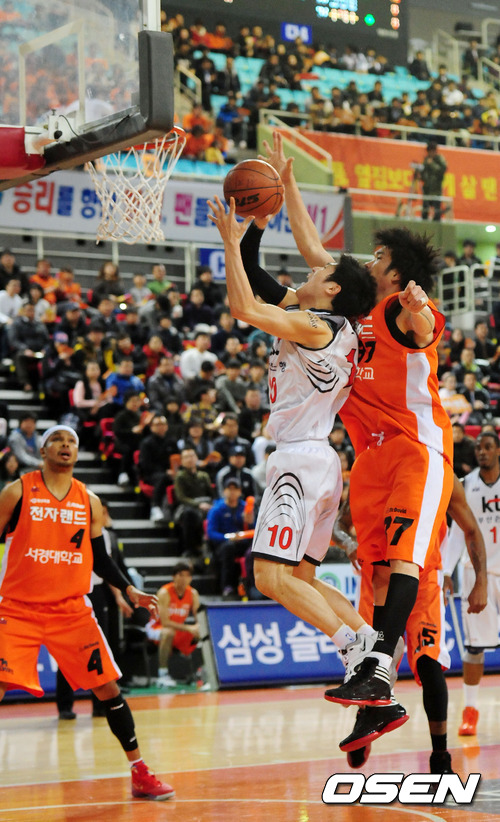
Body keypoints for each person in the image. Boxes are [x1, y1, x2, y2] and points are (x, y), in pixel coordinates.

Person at [259, 131, 453, 710]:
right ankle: (372, 694)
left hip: (416, 449)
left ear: (396, 275)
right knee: (375, 572)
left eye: (379, 258)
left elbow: (424, 327)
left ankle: (379, 669)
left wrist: (419, 310)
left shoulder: (400, 308)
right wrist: (288, 181)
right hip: (369, 459)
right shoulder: (351, 305)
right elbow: (312, 245)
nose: (369, 261)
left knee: (404, 558)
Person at [207, 192, 381, 678]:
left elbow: (243, 305)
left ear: (332, 290)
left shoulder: (313, 325)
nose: (310, 271)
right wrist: (257, 225)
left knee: (268, 576)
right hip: (321, 462)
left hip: (298, 464)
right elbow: (254, 275)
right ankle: (371, 646)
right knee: (301, 577)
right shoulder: (331, 324)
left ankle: (352, 651)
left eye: (319, 272)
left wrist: (227, 240)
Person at [0, 424, 175, 800]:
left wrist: (128, 588)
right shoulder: (17, 491)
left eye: (72, 442)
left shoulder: (89, 501)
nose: (65, 445)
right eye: (57, 440)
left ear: (77, 453)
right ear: (42, 450)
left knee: (109, 688)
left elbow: (100, 557)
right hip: (18, 609)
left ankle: (140, 772)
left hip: (71, 611)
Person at [335, 474, 487, 774]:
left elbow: (471, 528)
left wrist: (480, 579)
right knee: (370, 661)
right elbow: (339, 524)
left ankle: (440, 756)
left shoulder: (440, 472)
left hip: (424, 577)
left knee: (429, 662)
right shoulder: (372, 466)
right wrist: (349, 543)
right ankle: (366, 717)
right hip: (376, 576)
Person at [444, 430, 500, 738]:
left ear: (498, 450)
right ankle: (470, 710)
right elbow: (457, 533)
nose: (482, 452)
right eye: (479, 447)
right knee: (475, 647)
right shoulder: (466, 485)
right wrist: (446, 571)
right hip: (476, 574)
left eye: (488, 447)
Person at [145, 560, 201, 687]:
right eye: (181, 575)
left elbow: (199, 617)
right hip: (155, 628)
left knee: (202, 632)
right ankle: (163, 675)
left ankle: (201, 671)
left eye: (187, 575)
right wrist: (189, 628)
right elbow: (165, 622)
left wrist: (199, 628)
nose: (184, 579)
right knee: (168, 633)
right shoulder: (164, 593)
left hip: (178, 629)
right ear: (174, 576)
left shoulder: (193, 594)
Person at [207, 477, 255, 599]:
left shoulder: (246, 508)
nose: (232, 492)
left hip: (243, 542)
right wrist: (228, 537)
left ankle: (254, 587)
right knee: (228, 548)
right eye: (229, 489)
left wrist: (250, 522)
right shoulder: (216, 509)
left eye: (235, 489)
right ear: (224, 491)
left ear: (240, 492)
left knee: (256, 549)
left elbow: (256, 530)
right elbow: (211, 533)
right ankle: (227, 587)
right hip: (224, 544)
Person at [421, 141, 447, 221]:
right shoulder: (426, 159)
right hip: (427, 189)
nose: (430, 153)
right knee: (425, 212)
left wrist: (432, 164)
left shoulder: (440, 159)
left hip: (436, 190)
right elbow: (423, 173)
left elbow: (442, 170)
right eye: (429, 151)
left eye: (432, 151)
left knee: (437, 213)